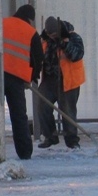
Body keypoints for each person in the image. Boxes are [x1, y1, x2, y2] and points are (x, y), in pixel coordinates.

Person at [37, 16, 86, 149]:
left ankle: (72, 141)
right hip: (49, 80)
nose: (52, 37)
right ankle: (50, 136)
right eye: (50, 34)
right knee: (42, 105)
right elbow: (39, 56)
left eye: (54, 35)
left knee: (68, 111)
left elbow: (77, 55)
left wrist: (64, 44)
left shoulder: (73, 37)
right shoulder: (45, 40)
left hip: (68, 81)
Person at [2, 4, 43, 160]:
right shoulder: (31, 32)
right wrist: (32, 78)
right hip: (16, 80)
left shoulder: (1, 23)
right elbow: (38, 59)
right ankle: (25, 152)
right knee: (19, 116)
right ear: (30, 19)